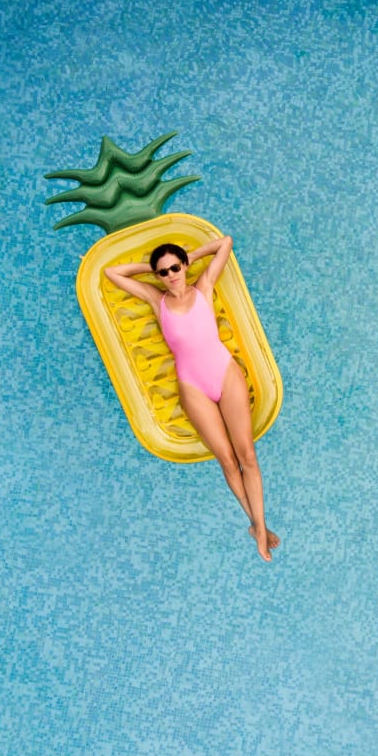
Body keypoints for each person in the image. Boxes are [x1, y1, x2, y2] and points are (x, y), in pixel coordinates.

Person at [103, 237, 278, 562]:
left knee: (247, 455)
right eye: (163, 271)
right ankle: (257, 526)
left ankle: (261, 527)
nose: (171, 274)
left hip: (224, 372)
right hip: (192, 386)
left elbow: (225, 243)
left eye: (175, 267)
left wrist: (192, 255)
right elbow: (113, 272)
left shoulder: (203, 286)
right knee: (227, 460)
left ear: (184, 266)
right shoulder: (157, 300)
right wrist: (149, 271)